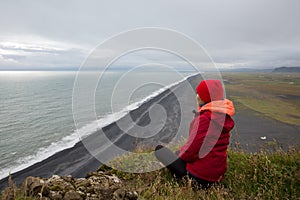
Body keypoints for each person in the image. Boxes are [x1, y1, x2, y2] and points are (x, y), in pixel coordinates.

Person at [154, 79, 235, 188]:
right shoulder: (222, 115)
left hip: (200, 178)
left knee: (160, 150)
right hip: (217, 175)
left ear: (205, 98)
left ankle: (182, 180)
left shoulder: (206, 119)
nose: (197, 96)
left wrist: (180, 155)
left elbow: (193, 150)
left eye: (199, 94)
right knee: (179, 152)